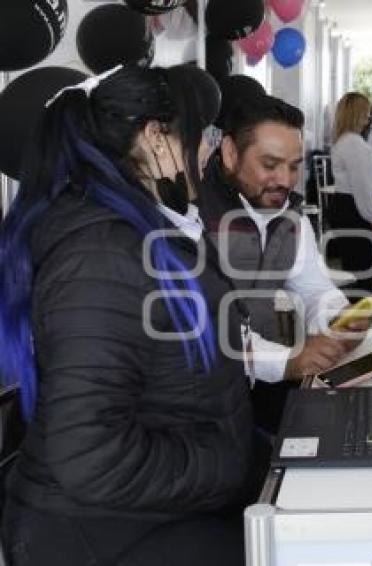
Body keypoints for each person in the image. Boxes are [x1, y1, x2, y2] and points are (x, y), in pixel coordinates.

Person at [0, 65, 262, 565]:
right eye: (202, 135)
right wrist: (225, 465)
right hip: (104, 535)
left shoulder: (143, 234)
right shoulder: (102, 258)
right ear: (155, 138)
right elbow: (89, 456)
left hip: (152, 511)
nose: (208, 151)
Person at [198, 94, 367, 432]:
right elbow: (207, 327)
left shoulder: (290, 215)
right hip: (203, 401)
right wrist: (286, 361)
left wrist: (335, 317)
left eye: (293, 166)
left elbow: (313, 286)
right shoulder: (196, 218)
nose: (286, 181)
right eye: (270, 164)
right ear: (230, 153)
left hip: (262, 392)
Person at [328, 92, 372, 293]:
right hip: (357, 212)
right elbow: (361, 187)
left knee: (360, 269)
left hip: (352, 209)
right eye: (365, 111)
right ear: (356, 113)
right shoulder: (352, 143)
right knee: (366, 270)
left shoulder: (348, 141)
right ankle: (360, 315)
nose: (369, 116)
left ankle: (359, 313)